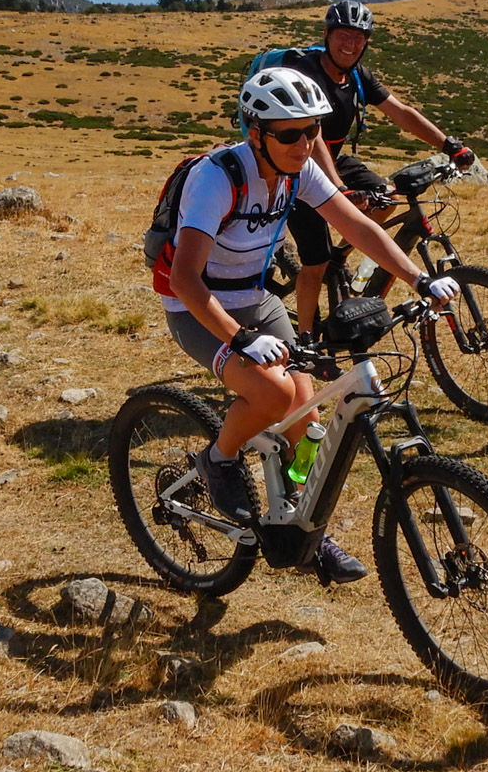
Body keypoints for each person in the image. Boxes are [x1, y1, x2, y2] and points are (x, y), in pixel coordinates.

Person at [163, 66, 459, 584]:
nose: (305, 143)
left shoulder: (301, 170)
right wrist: (239, 338)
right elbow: (186, 278)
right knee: (274, 396)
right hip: (199, 307)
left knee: (310, 417)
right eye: (290, 133)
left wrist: (418, 280)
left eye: (313, 130)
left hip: (254, 298)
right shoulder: (217, 178)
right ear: (255, 133)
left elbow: (358, 226)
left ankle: (305, 530)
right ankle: (220, 458)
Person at [274, 0, 477, 335]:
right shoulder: (307, 74)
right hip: (297, 167)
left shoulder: (357, 76)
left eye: (359, 37)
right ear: (326, 35)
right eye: (343, 35)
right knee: (314, 261)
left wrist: (448, 145)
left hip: (335, 161)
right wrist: (338, 189)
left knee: (385, 197)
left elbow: (401, 112)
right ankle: (306, 342)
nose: (350, 44)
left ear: (366, 42)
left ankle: (341, 253)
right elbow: (316, 137)